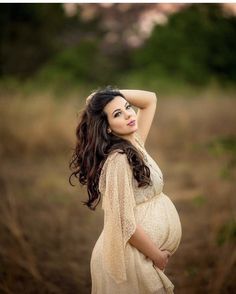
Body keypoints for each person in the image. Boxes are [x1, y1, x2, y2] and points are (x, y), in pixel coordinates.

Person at [69, 86, 182, 294]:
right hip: (131, 259)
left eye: (127, 107)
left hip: (140, 257)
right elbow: (121, 221)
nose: (129, 114)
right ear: (108, 127)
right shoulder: (119, 160)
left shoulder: (135, 143)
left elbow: (150, 99)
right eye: (117, 114)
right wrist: (157, 256)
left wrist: (107, 95)